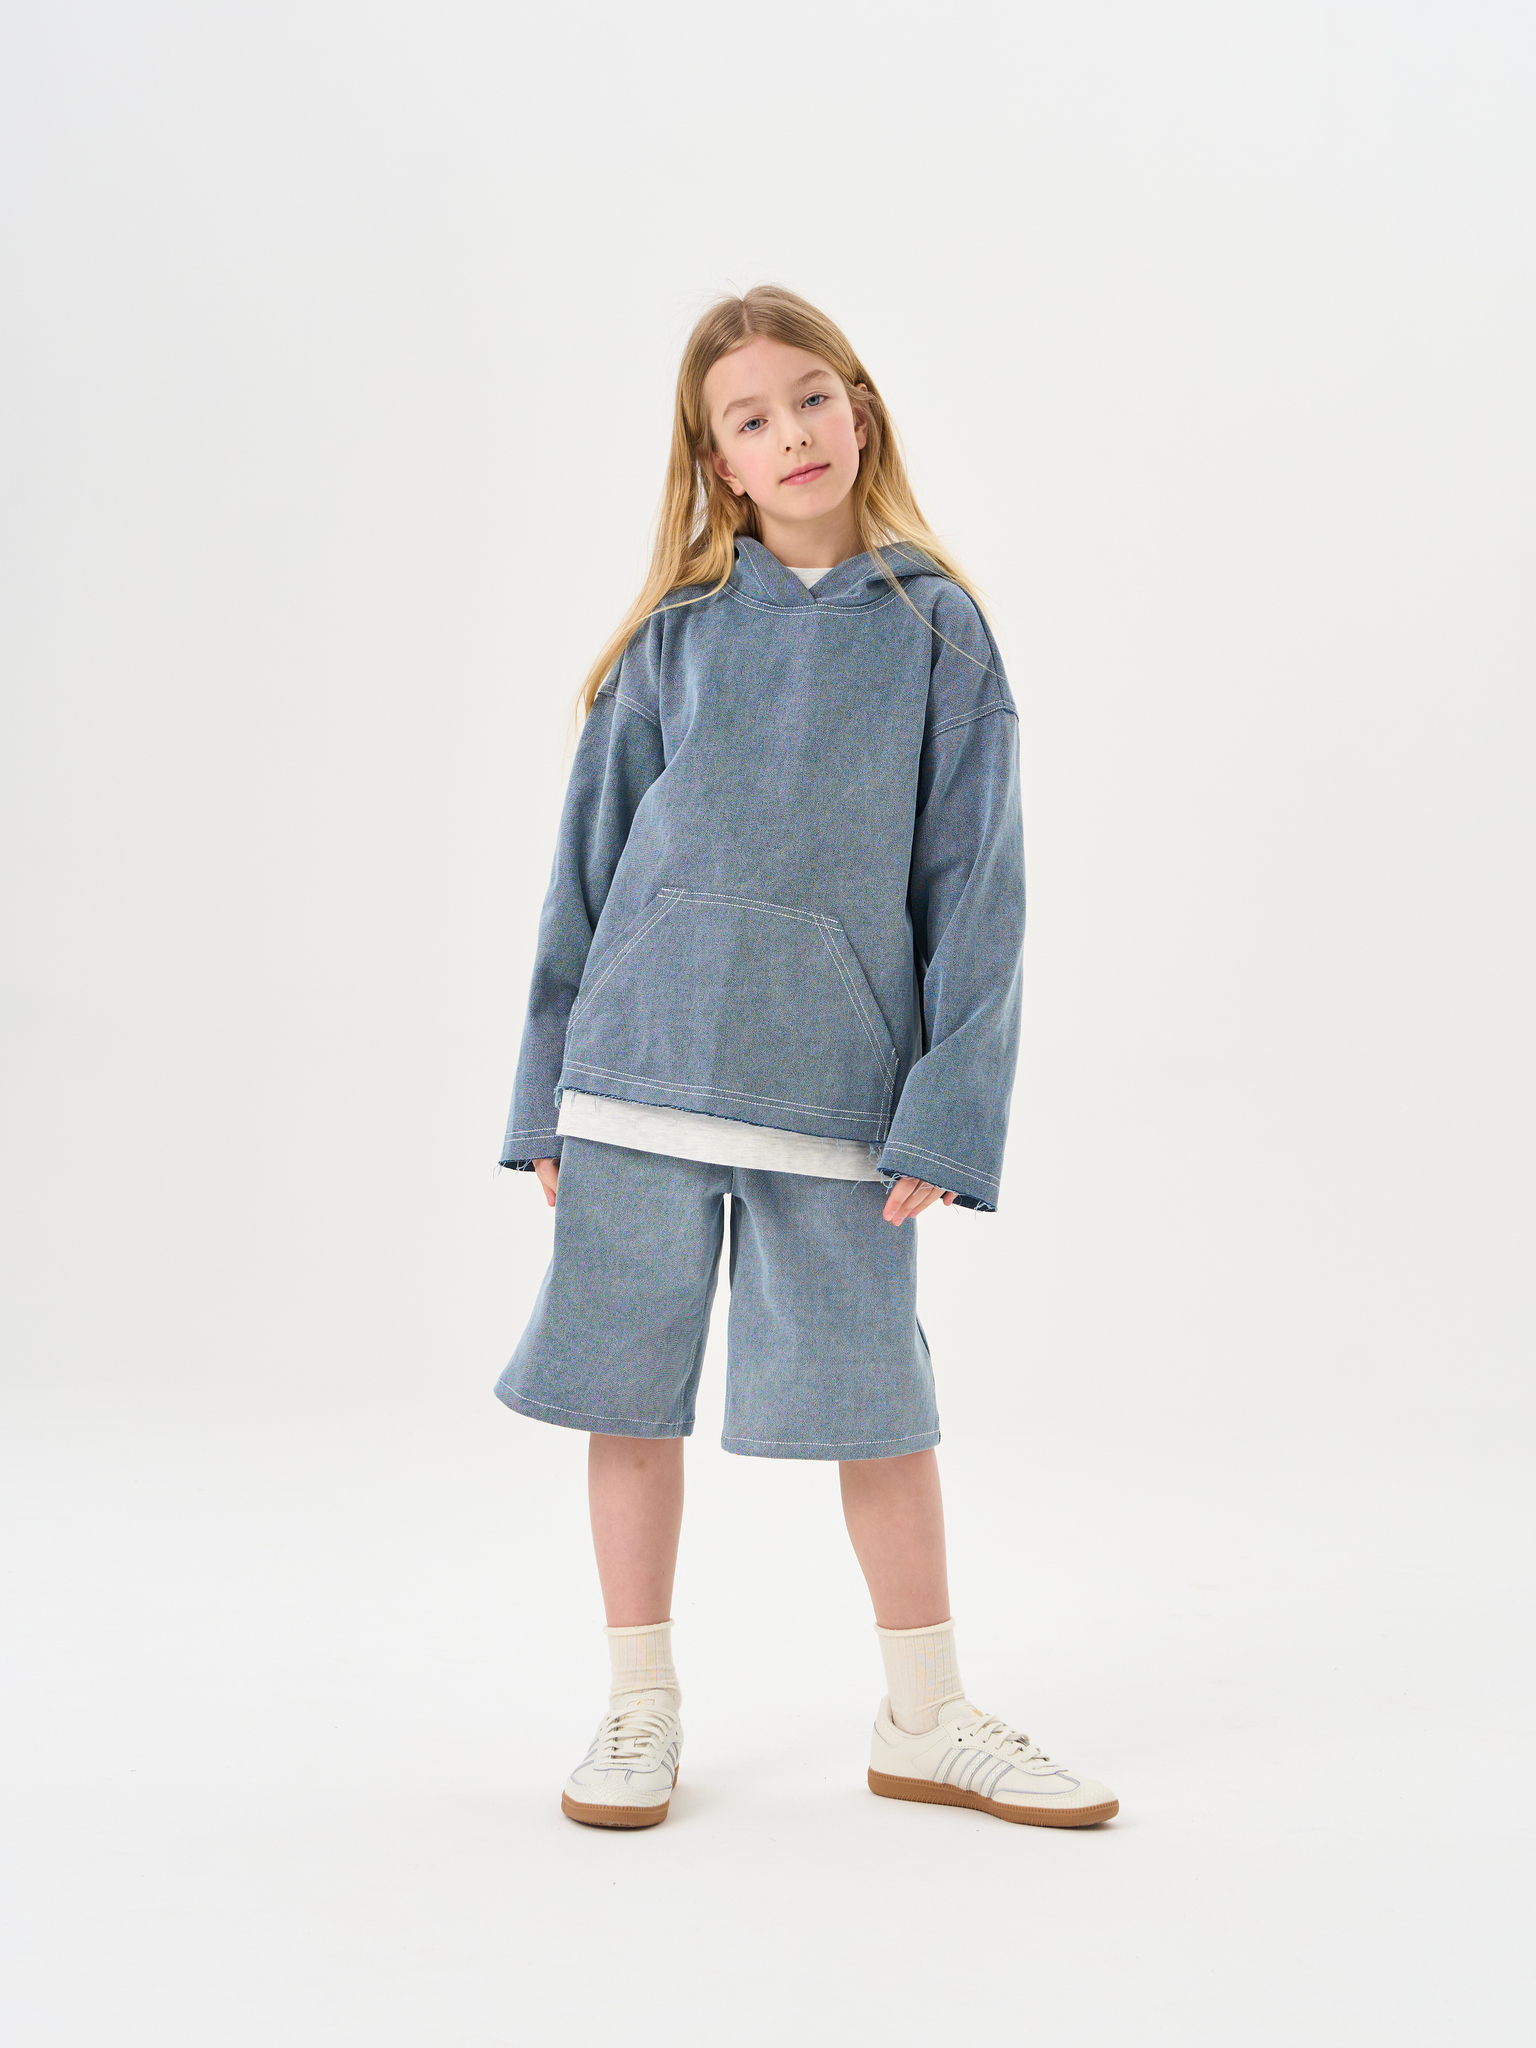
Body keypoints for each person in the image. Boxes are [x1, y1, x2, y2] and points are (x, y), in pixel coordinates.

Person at [494, 284, 1117, 1832]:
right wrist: (541, 1096)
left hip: (836, 1095)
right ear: (717, 462)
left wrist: (950, 1109)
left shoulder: (935, 629)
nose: (792, 434)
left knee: (880, 1412)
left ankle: (928, 1716)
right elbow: (583, 875)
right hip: (636, 1075)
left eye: (812, 398)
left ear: (862, 409)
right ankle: (639, 1707)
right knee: (626, 1400)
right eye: (751, 419)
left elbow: (979, 890)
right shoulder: (674, 638)